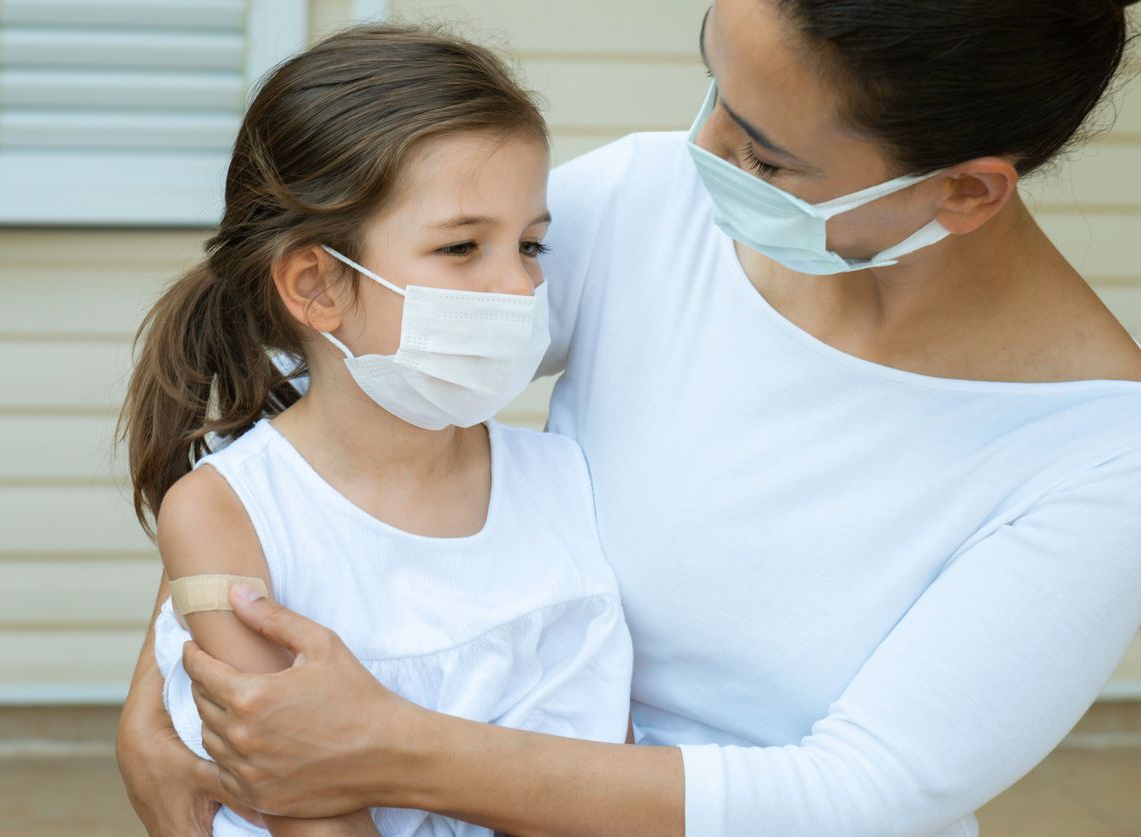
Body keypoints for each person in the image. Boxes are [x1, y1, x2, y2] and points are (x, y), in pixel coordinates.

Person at [117, 1, 1141, 835]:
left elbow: (857, 795)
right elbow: (342, 348)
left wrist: (386, 749)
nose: (700, 152)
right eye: (715, 88)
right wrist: (197, 666)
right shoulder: (659, 201)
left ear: (962, 192)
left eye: (767, 157)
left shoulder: (1099, 461)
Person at [115, 24, 633, 837]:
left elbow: (606, 776)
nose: (518, 284)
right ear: (317, 286)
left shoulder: (563, 479)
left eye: (532, 244)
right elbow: (308, 807)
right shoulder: (223, 513)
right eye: (462, 246)